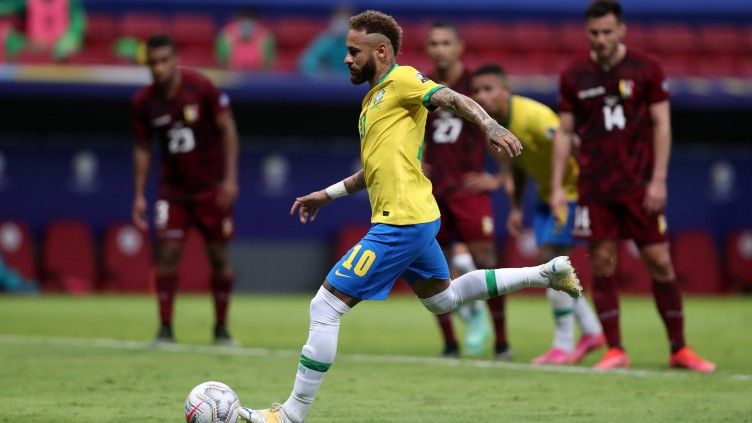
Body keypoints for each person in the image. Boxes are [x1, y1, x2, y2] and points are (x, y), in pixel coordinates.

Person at [238, 10, 582, 423]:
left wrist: (489, 125)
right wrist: (327, 195)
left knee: (325, 306)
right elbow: (374, 170)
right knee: (444, 299)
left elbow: (453, 97)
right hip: (414, 218)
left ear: (381, 52)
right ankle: (546, 272)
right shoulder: (373, 100)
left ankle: (290, 415)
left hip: (400, 223)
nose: (346, 59)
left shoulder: (402, 81)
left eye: (353, 52)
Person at [550, 0, 714, 372]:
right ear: (586, 32)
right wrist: (559, 186)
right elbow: (564, 133)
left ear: (621, 30)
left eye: (608, 32)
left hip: (640, 186)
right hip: (595, 188)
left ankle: (679, 349)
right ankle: (615, 349)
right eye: (594, 33)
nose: (601, 39)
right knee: (604, 265)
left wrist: (658, 179)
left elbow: (662, 125)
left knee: (660, 261)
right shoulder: (575, 73)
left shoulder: (648, 68)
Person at [471, 64, 605, 365]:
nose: (482, 96)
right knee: (553, 264)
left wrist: (574, 190)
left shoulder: (533, 116)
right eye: (477, 91)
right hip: (548, 195)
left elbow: (570, 142)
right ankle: (592, 332)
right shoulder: (493, 126)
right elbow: (517, 167)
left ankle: (563, 344)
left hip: (570, 193)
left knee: (554, 264)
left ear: (506, 89)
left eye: (488, 89)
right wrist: (517, 207)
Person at [131, 34, 240, 346]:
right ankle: (165, 329)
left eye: (164, 61)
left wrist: (230, 179)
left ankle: (221, 329)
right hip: (173, 191)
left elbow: (227, 128)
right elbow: (142, 147)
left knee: (219, 257)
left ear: (175, 59)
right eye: (153, 63)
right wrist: (139, 193)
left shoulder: (201, 87)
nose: (159, 68)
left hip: (211, 188)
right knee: (167, 253)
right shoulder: (143, 102)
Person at [422, 21, 507, 359]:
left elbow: (504, 129)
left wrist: (498, 179)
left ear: (459, 48)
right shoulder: (420, 86)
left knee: (487, 259)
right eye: (433, 43)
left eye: (445, 43)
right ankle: (449, 343)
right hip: (432, 192)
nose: (439, 49)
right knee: (432, 267)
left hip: (469, 190)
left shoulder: (476, 86)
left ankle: (501, 341)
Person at [0, 0, 85, 61]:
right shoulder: (29, 2)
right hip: (33, 43)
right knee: (6, 33)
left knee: (70, 41)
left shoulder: (69, 2)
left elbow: (78, 25)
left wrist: (66, 40)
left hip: (61, 43)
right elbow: (7, 7)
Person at [298, 5, 351, 77]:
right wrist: (323, 73)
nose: (342, 23)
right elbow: (307, 64)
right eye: (339, 19)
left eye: (345, 20)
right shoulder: (326, 41)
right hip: (328, 85)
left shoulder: (360, 43)